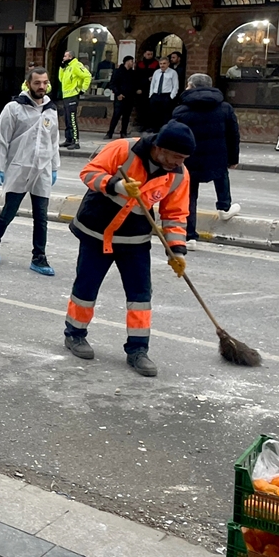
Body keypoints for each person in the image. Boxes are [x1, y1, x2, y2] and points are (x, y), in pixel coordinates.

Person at [63, 120, 194, 377]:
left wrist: (176, 250)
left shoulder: (178, 175)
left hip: (135, 239)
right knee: (86, 289)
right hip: (96, 231)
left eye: (183, 158)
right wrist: (116, 185)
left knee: (140, 297)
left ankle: (138, 350)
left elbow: (175, 214)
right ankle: (74, 335)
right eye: (176, 156)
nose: (179, 162)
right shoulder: (123, 149)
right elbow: (89, 173)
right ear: (160, 148)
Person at [0, 67, 60, 276]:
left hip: (42, 169)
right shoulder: (14, 108)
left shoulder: (51, 110)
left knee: (41, 216)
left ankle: (39, 256)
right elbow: (2, 139)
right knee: (9, 211)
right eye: (37, 83)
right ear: (28, 84)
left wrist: (54, 167)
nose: (42, 87)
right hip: (19, 167)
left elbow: (53, 142)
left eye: (45, 82)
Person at [170, 74, 241, 246]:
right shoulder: (225, 108)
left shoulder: (181, 110)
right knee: (221, 175)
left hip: (189, 158)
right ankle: (224, 207)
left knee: (189, 195)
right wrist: (233, 158)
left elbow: (173, 136)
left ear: (191, 86)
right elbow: (233, 135)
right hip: (218, 154)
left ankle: (190, 235)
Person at [58, 50, 90, 149]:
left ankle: (76, 141)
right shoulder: (67, 67)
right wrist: (62, 68)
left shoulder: (76, 65)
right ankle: (68, 140)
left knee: (72, 119)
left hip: (73, 95)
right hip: (66, 96)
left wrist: (83, 89)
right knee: (67, 119)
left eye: (65, 56)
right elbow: (61, 79)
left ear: (70, 56)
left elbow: (87, 76)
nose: (63, 58)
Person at [105, 56, 137, 139]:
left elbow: (135, 84)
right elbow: (113, 84)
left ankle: (123, 132)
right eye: (131, 61)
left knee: (126, 117)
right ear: (127, 62)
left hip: (129, 97)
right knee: (116, 115)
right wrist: (118, 93)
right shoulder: (118, 72)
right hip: (120, 97)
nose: (133, 63)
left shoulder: (133, 73)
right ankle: (110, 132)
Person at [147, 57, 179, 131]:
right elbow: (153, 84)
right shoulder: (156, 72)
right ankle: (155, 130)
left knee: (166, 114)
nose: (162, 65)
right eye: (160, 64)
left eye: (164, 63)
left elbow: (175, 86)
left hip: (166, 95)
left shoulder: (173, 73)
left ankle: (164, 130)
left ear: (168, 64)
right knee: (154, 114)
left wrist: (171, 97)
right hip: (156, 95)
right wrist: (151, 95)